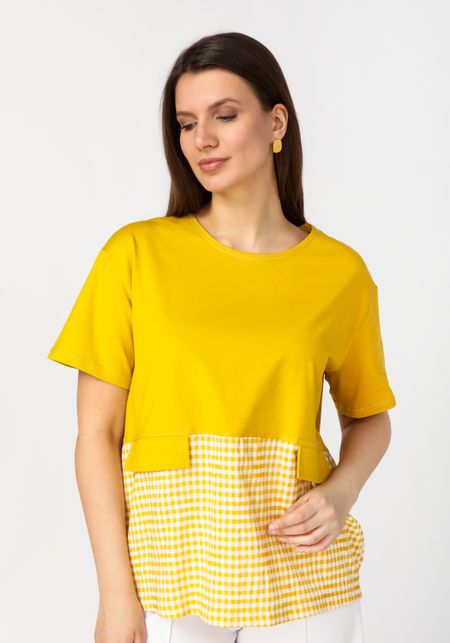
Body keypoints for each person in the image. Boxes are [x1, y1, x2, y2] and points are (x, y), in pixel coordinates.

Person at [47, 31, 396, 643]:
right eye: (186, 124)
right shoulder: (135, 255)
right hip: (169, 570)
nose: (200, 139)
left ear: (275, 122)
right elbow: (96, 435)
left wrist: (341, 493)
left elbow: (369, 416)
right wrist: (115, 597)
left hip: (302, 571)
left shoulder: (340, 274)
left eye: (224, 116)